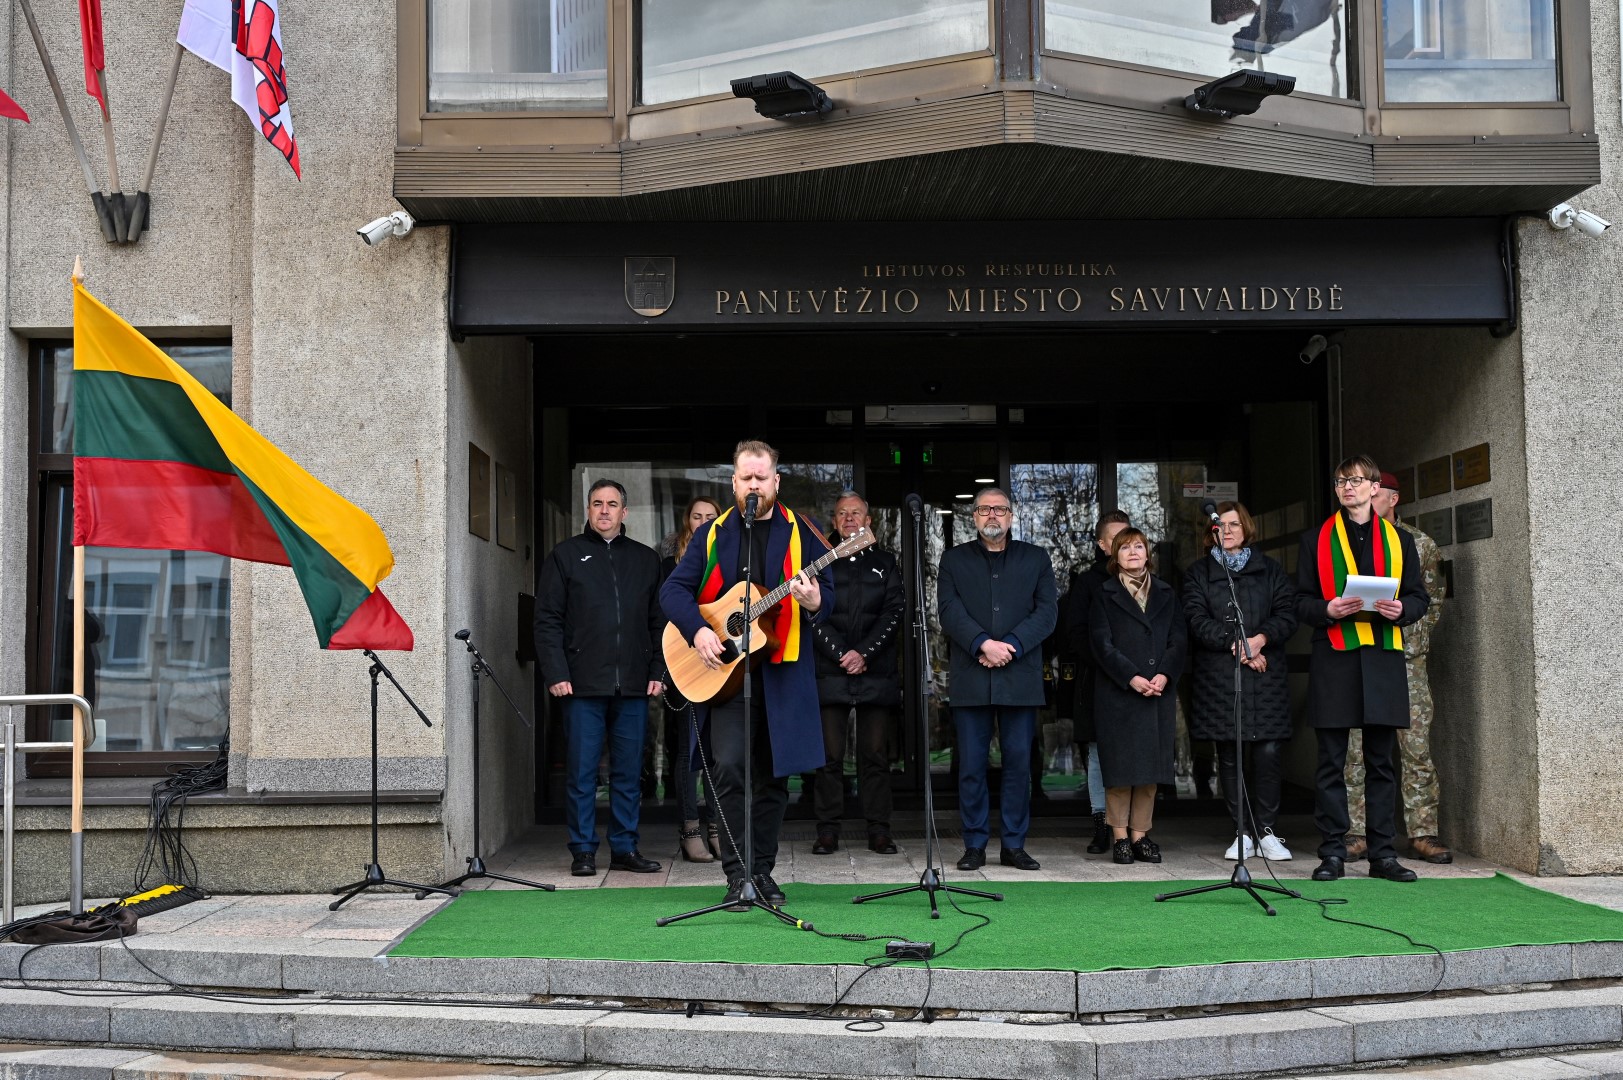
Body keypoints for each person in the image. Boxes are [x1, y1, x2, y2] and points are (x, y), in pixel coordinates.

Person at [660, 440, 833, 908]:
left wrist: (816, 601)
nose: (754, 486)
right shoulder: (713, 533)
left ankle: (763, 872)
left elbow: (830, 593)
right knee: (730, 769)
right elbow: (672, 591)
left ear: (776, 480)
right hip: (728, 675)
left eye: (762, 477)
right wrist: (699, 631)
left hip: (782, 670)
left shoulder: (802, 531)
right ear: (734, 482)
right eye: (746, 478)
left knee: (774, 778)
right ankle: (738, 875)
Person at [1295, 455, 1430, 883]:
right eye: (1341, 481)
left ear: (1375, 488)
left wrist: (1402, 609)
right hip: (1335, 656)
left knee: (1381, 763)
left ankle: (1383, 855)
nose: (1347, 487)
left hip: (1382, 657)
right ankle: (1332, 852)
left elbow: (1419, 598)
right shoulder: (1315, 539)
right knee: (1331, 763)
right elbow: (1298, 602)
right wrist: (1327, 609)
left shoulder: (1400, 541)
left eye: (1355, 480)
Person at [535, 479, 665, 878]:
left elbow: (660, 622)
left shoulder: (646, 560)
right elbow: (547, 620)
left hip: (634, 684)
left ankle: (624, 848)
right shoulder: (565, 556)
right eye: (597, 503)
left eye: (612, 504)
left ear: (625, 512)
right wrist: (557, 671)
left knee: (628, 773)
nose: (604, 510)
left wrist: (657, 670)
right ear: (588, 510)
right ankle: (583, 850)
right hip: (581, 684)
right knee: (582, 773)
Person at [938, 486, 1058, 872]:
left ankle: (1013, 845)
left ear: (1011, 516)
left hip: (1019, 678)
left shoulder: (1036, 559)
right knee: (971, 767)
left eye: (1000, 509)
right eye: (984, 509)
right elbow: (948, 611)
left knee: (1018, 766)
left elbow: (1047, 613)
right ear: (973, 516)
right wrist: (982, 644)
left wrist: (1011, 646)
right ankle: (974, 844)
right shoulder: (953, 560)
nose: (992, 515)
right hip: (971, 677)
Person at [1343, 471, 1450, 864]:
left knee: (1415, 747)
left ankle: (1422, 832)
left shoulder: (1419, 544)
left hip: (1405, 658)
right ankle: (1356, 832)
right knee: (1355, 747)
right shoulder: (1347, 540)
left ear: (1392, 498)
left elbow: (1433, 600)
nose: (1366, 499)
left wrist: (1409, 634)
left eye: (1376, 494)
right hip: (1361, 655)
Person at [1182, 502, 1298, 861]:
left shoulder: (1270, 570)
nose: (1228, 531)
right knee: (1230, 757)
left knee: (1268, 754)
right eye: (1221, 526)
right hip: (1221, 678)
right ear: (1211, 533)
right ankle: (1242, 832)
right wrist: (1240, 646)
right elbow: (1196, 619)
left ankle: (1267, 832)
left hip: (1266, 678)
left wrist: (1260, 639)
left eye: (1234, 524)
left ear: (1246, 528)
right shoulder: (1199, 573)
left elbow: (1287, 613)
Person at [810, 491, 904, 855]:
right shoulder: (819, 561)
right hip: (829, 671)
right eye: (842, 513)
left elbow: (894, 611)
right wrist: (841, 654)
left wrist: (864, 653)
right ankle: (827, 830)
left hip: (875, 672)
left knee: (875, 755)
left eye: (856, 513)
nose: (849, 518)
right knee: (828, 756)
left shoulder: (885, 561)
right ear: (834, 522)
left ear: (868, 521)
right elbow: (811, 614)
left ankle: (879, 829)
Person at [1089, 528, 1187, 864]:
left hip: (1157, 692)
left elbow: (1178, 640)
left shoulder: (1166, 593)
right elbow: (1101, 644)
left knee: (1149, 772)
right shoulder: (1104, 594)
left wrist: (1164, 674)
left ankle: (1140, 835)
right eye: (1125, 547)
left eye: (1139, 546)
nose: (1133, 552)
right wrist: (1131, 677)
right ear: (1114, 557)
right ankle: (1119, 838)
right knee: (1120, 772)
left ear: (1148, 553)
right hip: (1119, 693)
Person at [660, 495, 723, 863]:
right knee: (688, 750)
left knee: (715, 751)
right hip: (684, 662)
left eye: (710, 516)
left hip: (719, 665)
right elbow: (662, 615)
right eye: (697, 516)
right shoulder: (670, 565)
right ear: (688, 521)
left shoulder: (726, 560)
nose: (703, 522)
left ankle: (716, 828)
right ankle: (690, 830)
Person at [1065, 509, 1132, 854]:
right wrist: (1113, 666)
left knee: (1136, 751)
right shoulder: (1087, 582)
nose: (1124, 544)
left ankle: (1135, 831)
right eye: (1115, 538)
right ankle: (1101, 825)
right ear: (1102, 545)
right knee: (1098, 753)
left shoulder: (1149, 581)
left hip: (1139, 683)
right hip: (1098, 680)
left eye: (1128, 536)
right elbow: (1076, 634)